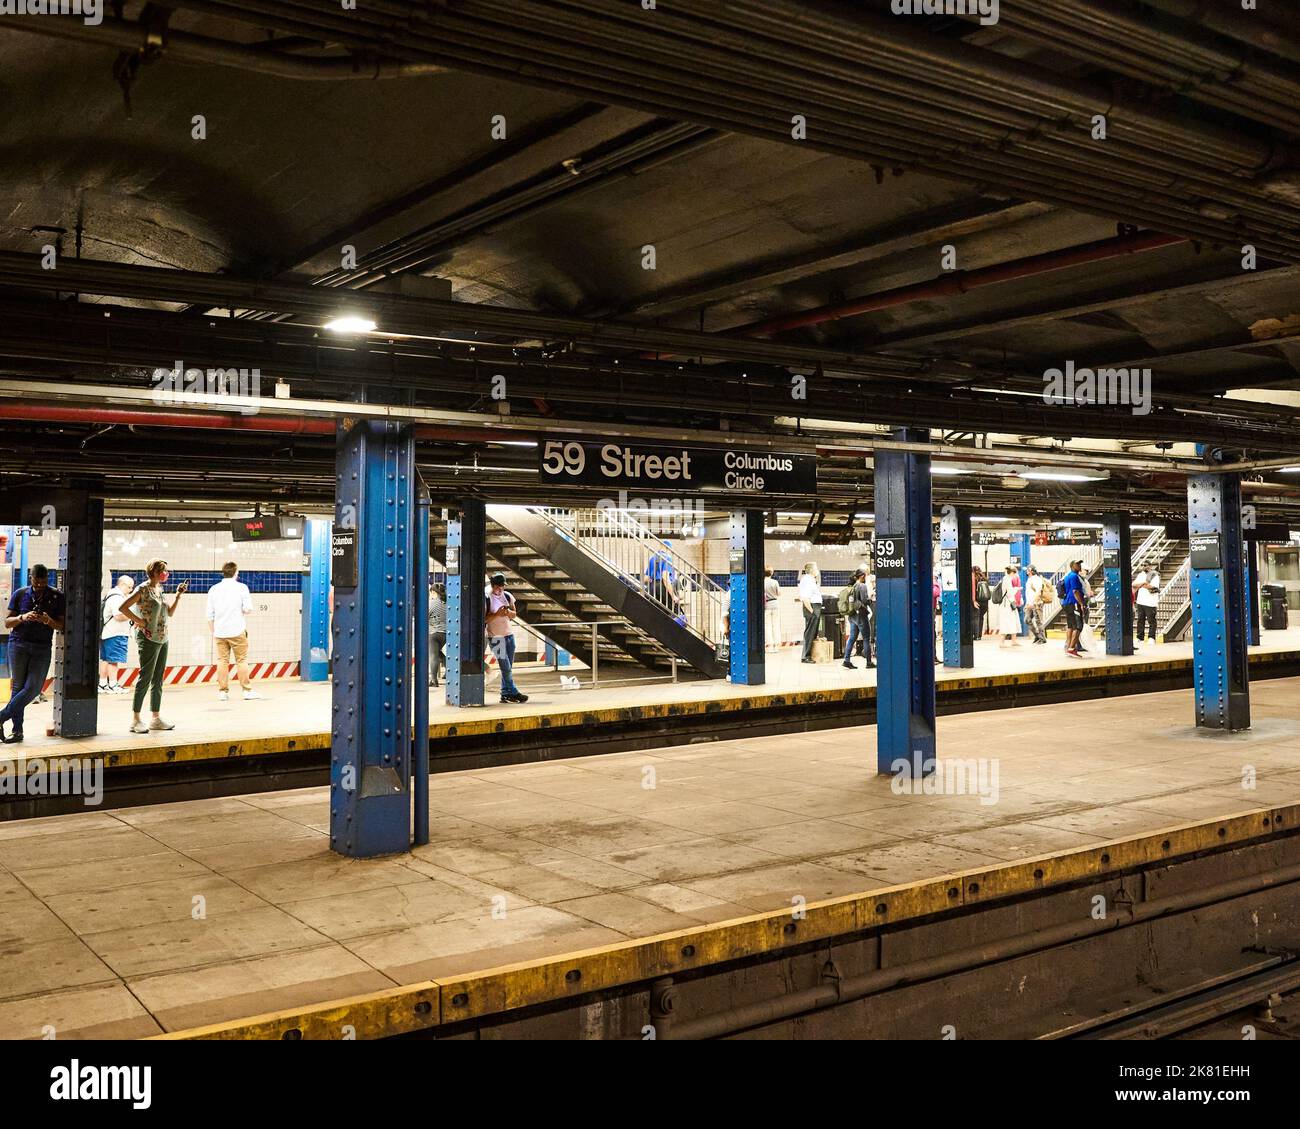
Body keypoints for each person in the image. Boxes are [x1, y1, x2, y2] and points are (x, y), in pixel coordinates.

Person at [0, 563, 66, 744]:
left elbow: (61, 625)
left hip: (42, 647)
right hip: (18, 645)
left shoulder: (56, 596)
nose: (39, 586)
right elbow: (7, 623)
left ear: (47, 579)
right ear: (31, 579)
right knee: (18, 689)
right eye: (37, 583)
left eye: (43, 583)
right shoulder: (20, 594)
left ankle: (1, 717)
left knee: (34, 688)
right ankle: (17, 731)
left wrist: (47, 620)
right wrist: (23, 617)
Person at [119, 559, 187, 733]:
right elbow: (123, 607)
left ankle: (155, 718)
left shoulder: (159, 589)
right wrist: (139, 621)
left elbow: (169, 613)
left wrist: (178, 595)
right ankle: (135, 719)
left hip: (163, 638)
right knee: (145, 678)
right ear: (155, 572)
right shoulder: (142, 589)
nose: (167, 573)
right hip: (148, 638)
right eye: (164, 571)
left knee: (158, 679)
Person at [206, 562, 262, 702]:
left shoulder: (214, 589)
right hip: (237, 630)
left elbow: (209, 614)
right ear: (235, 573)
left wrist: (214, 631)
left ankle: (223, 692)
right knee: (241, 660)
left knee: (222, 661)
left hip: (220, 632)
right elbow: (248, 609)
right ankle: (246, 691)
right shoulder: (242, 588)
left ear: (223, 573)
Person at [486, 572, 528, 704]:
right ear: (493, 585)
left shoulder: (508, 596)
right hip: (495, 638)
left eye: (503, 586)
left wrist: (508, 612)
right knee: (505, 667)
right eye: (499, 586)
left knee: (509, 667)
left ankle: (505, 694)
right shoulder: (487, 598)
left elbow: (514, 614)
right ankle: (514, 692)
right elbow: (485, 619)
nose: (501, 589)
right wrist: (497, 614)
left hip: (509, 636)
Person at [99, 574, 135, 693]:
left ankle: (103, 684)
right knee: (113, 660)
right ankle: (113, 685)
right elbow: (118, 616)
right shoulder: (117, 598)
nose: (131, 590)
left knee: (106, 659)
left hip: (108, 633)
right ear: (122, 584)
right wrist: (133, 617)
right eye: (129, 587)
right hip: (115, 633)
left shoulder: (111, 594)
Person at [842, 568, 875, 669]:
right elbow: (864, 601)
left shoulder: (852, 586)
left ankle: (846, 660)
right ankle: (869, 662)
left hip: (852, 616)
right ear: (862, 576)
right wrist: (870, 598)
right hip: (861, 615)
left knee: (852, 638)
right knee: (866, 638)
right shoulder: (862, 586)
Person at [1061, 559, 1087, 658]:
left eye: (1080, 564)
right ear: (1072, 566)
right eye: (1077, 564)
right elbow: (1075, 591)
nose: (1079, 566)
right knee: (1078, 626)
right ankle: (1072, 649)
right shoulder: (1074, 576)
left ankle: (1069, 647)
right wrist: (1081, 603)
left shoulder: (1068, 576)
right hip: (1074, 603)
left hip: (1067, 603)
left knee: (1071, 626)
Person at [798, 562, 822, 664]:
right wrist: (812, 611)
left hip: (814, 607)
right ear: (812, 570)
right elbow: (805, 597)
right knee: (810, 632)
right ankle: (805, 656)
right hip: (812, 607)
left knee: (813, 632)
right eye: (816, 568)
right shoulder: (807, 580)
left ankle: (809, 655)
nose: (817, 570)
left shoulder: (810, 580)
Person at [644, 541, 678, 610]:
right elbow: (665, 578)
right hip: (662, 588)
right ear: (668, 548)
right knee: (674, 611)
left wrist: (653, 580)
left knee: (657, 611)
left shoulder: (652, 558)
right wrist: (673, 596)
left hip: (652, 588)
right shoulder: (667, 558)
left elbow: (645, 578)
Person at [996, 566, 1024, 647]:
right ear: (1012, 573)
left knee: (1013, 621)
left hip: (1008, 604)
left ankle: (1014, 640)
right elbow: (1010, 593)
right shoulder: (1007, 580)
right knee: (1006, 622)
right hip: (1006, 605)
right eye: (1015, 574)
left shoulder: (1005, 579)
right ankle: (1001, 642)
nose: (1016, 576)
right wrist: (1017, 589)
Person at [1024, 565, 1049, 644]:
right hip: (1030, 603)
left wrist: (1033, 603)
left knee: (1038, 621)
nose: (1026, 571)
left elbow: (1038, 592)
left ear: (1031, 571)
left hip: (1037, 603)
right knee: (1027, 620)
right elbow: (1029, 593)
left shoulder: (1036, 579)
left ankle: (1042, 639)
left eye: (1028, 570)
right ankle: (1037, 636)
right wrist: (1028, 603)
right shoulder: (1029, 579)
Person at [1133, 567, 1160, 643]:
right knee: (1140, 620)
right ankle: (1139, 637)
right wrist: (1144, 584)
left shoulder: (1155, 575)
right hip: (1140, 601)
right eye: (1143, 565)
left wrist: (1141, 585)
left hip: (1150, 602)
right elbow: (1134, 585)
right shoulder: (1141, 575)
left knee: (1151, 621)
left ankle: (1151, 638)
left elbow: (1153, 588)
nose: (1145, 566)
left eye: (1147, 565)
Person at [429, 582, 447, 688]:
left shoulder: (432, 603)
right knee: (439, 654)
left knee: (433, 655)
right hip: (446, 634)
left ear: (434, 592)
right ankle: (449, 670)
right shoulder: (449, 603)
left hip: (433, 633)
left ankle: (433, 680)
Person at [763, 568, 781, 653]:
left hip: (766, 605)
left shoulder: (762, 582)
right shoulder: (775, 582)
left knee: (767, 626)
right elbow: (779, 593)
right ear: (771, 573)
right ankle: (776, 646)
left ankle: (770, 646)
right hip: (775, 604)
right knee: (776, 625)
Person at [973, 566, 991, 637]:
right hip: (985, 602)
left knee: (976, 618)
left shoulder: (974, 579)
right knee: (981, 618)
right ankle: (979, 634)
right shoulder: (985, 579)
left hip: (978, 601)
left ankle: (976, 635)